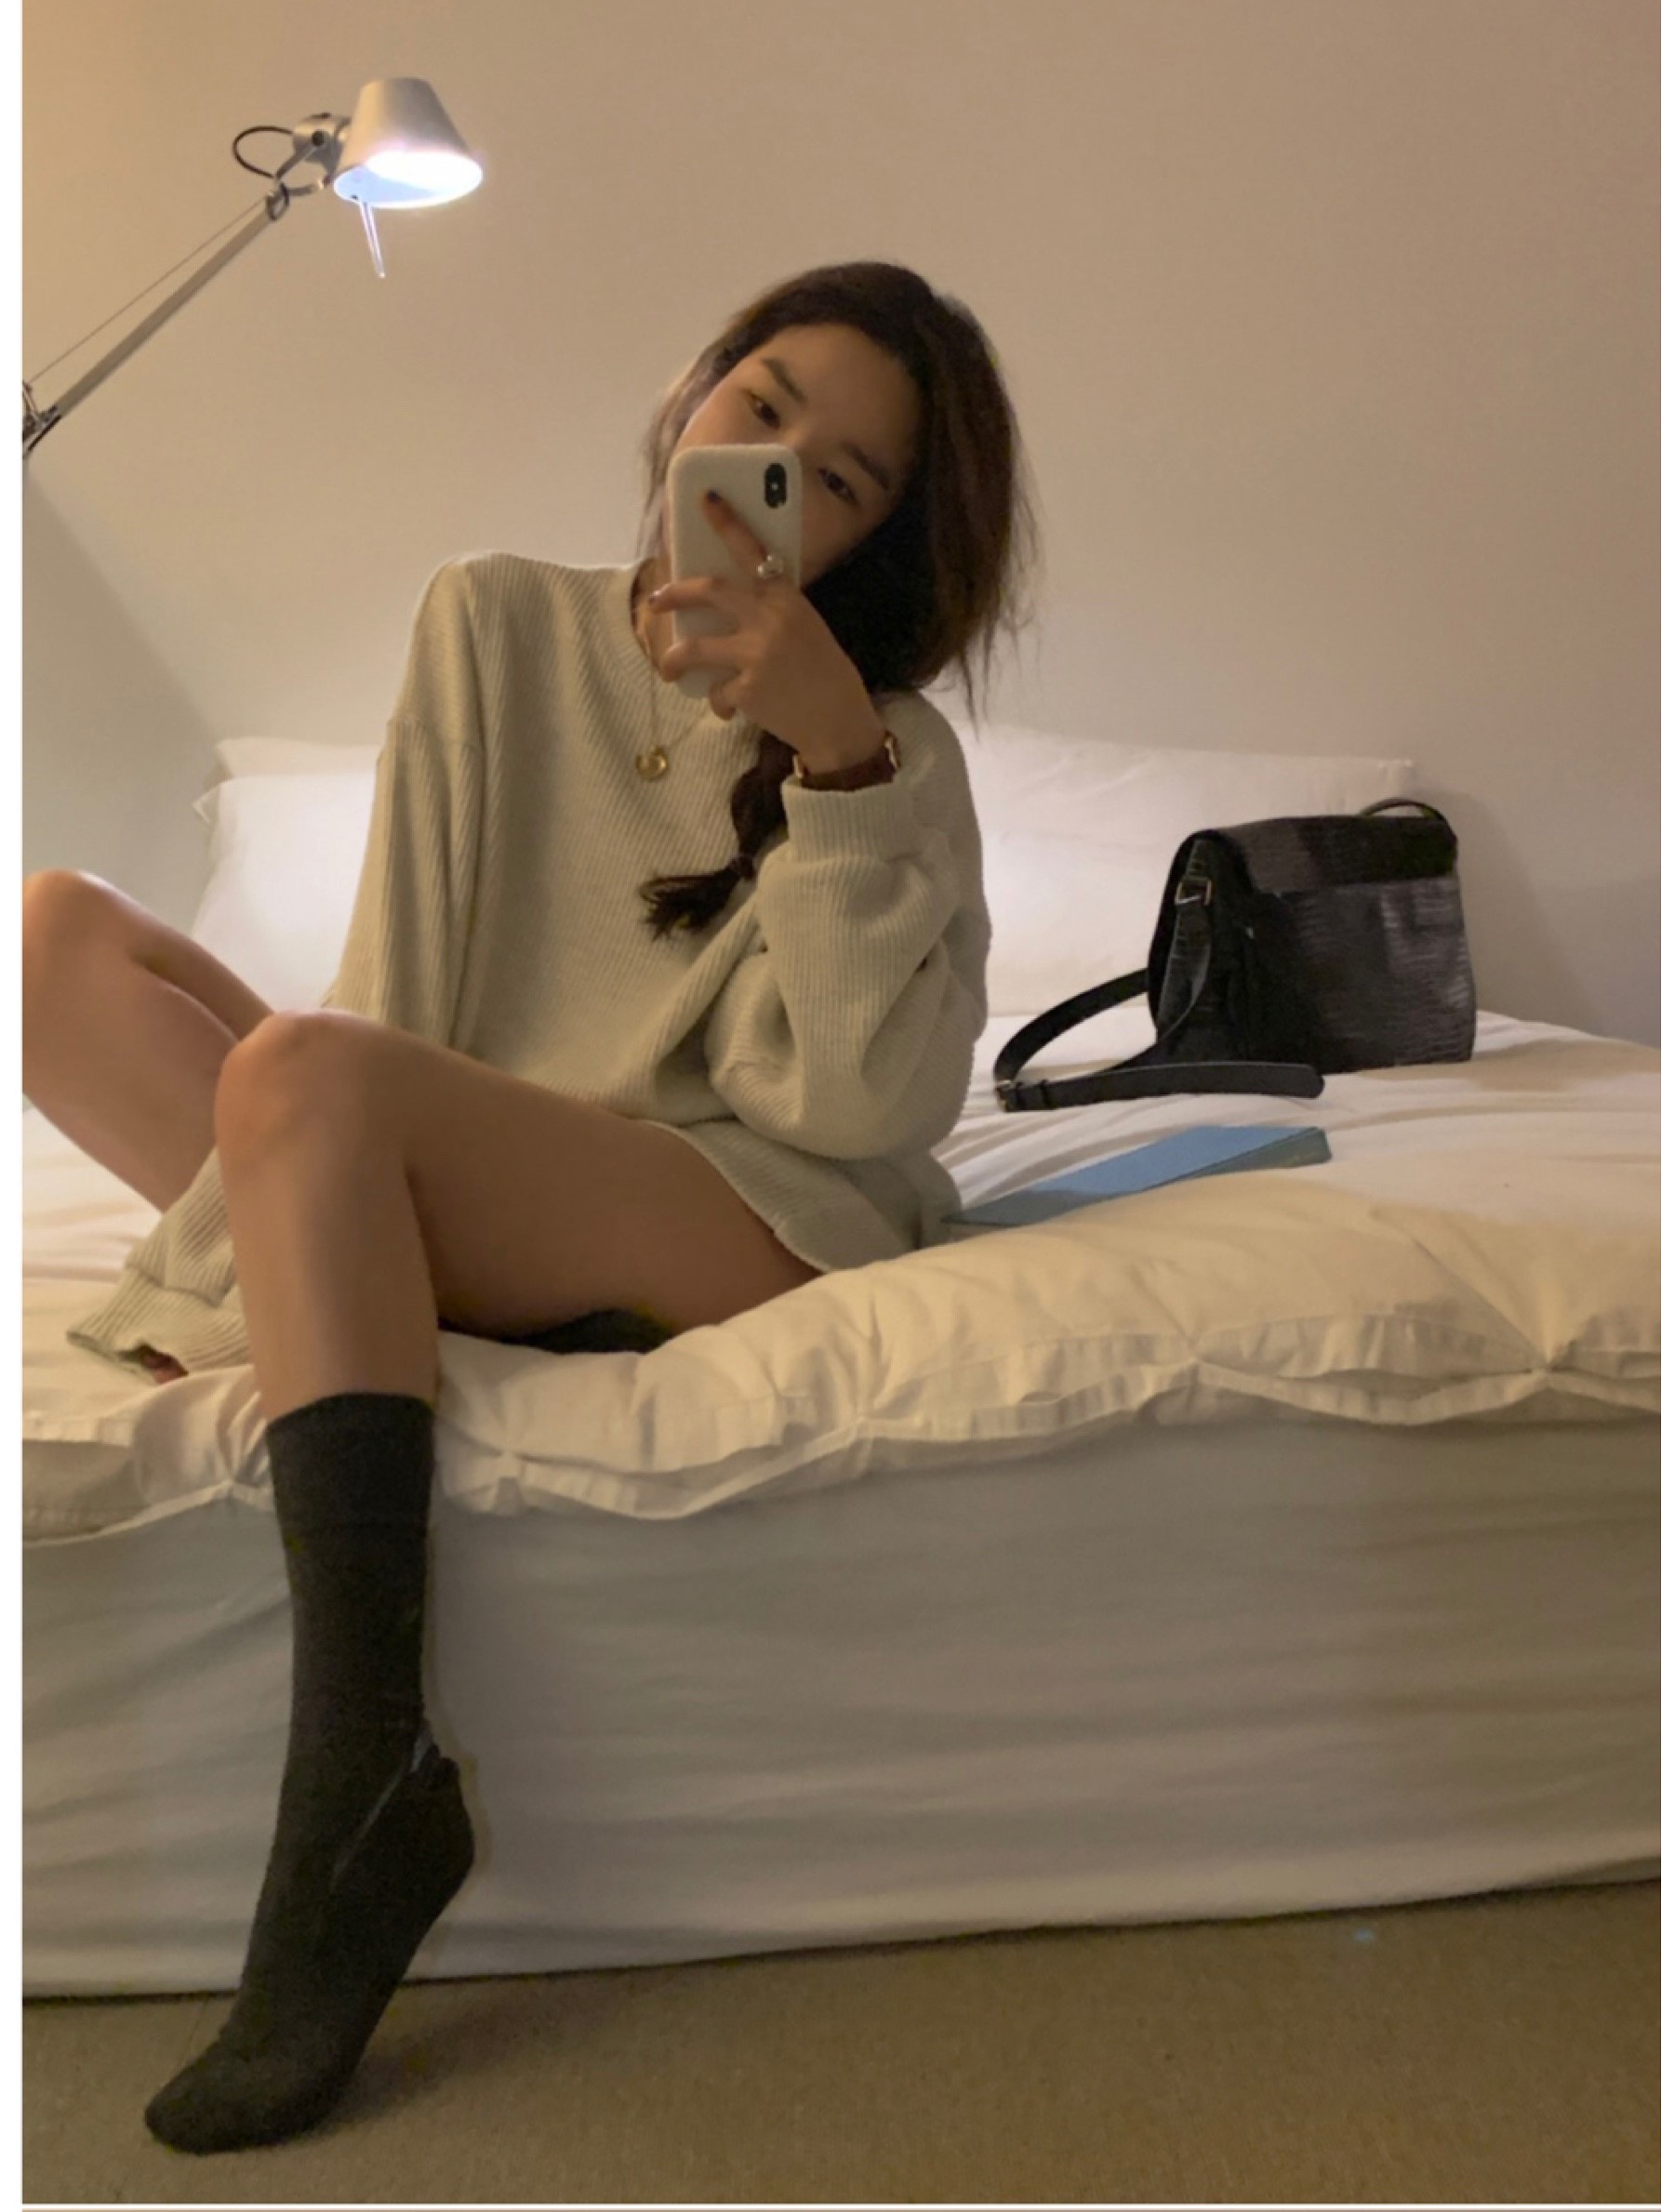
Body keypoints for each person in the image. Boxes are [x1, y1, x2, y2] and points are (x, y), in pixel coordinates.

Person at [20, 258, 1042, 2152]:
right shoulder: (490, 620)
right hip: (463, 1163)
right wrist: (323, 1178)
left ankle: (361, 1776)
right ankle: (380, 1274)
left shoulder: (890, 744)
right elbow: (404, 997)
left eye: (839, 478)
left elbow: (850, 1105)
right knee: (55, 940)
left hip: (735, 1206)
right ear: (692, 392)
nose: (772, 469)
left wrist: (834, 760)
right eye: (760, 406)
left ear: (881, 541)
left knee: (311, 1085)